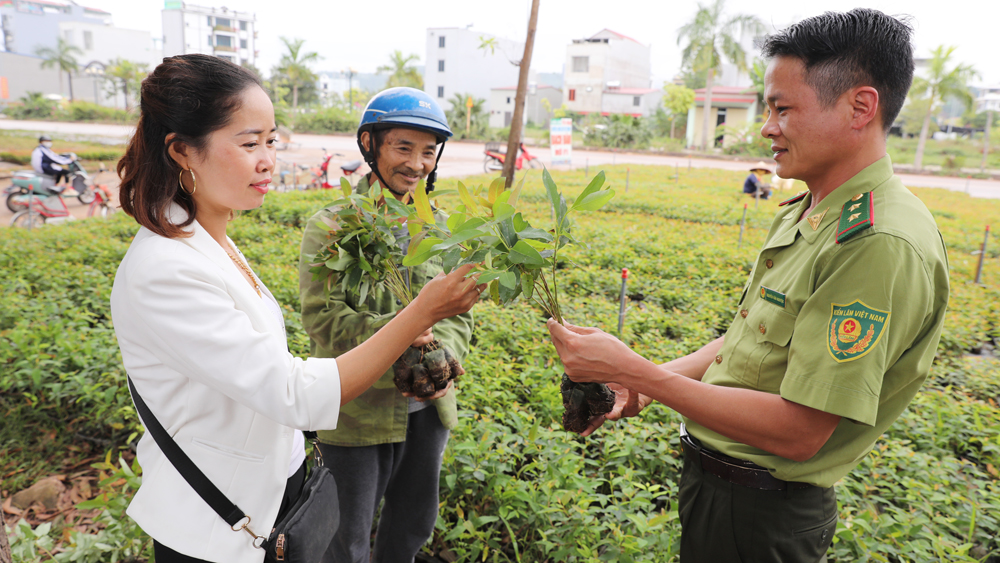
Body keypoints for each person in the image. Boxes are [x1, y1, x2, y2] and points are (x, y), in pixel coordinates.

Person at [546, 9, 949, 563]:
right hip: (723, 493)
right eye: (768, 108)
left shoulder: (876, 242)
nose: (767, 128)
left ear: (860, 107)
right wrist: (641, 385)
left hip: (762, 514)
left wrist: (630, 370)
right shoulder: (811, 210)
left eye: (783, 109)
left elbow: (798, 432)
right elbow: (753, 341)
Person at [110, 56, 483, 563]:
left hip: (267, 492)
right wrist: (417, 317)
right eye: (248, 143)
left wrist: (439, 349)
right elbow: (294, 386)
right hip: (216, 524)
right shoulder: (166, 268)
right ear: (182, 151)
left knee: (411, 523)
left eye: (271, 141)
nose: (268, 160)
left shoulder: (213, 241)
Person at [297, 87, 474, 563]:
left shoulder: (441, 229)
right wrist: (403, 330)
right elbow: (322, 318)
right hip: (357, 415)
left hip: (428, 412)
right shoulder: (332, 226)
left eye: (428, 152)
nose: (417, 163)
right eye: (403, 147)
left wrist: (445, 357)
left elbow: (460, 314)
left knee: (413, 524)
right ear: (369, 145)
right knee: (345, 539)